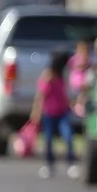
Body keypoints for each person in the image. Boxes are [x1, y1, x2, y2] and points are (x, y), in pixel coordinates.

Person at [33, 50, 77, 180]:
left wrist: (71, 105)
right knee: (48, 139)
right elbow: (40, 94)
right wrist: (36, 111)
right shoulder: (48, 75)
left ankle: (71, 163)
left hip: (63, 112)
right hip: (49, 113)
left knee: (68, 136)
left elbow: (65, 93)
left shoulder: (63, 75)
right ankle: (49, 164)